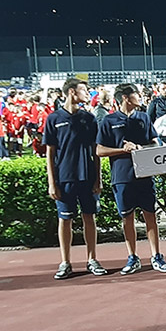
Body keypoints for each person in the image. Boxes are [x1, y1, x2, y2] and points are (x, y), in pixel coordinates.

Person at [96, 83, 166, 274]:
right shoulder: (109, 120)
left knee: (150, 215)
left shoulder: (143, 117)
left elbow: (155, 142)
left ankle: (156, 256)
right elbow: (99, 150)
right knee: (127, 217)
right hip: (122, 176)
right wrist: (123, 149)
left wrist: (142, 147)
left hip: (144, 175)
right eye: (136, 94)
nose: (140, 97)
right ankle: (132, 257)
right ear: (125, 98)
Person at [43, 78, 106, 279]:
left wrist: (98, 178)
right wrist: (52, 183)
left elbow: (96, 151)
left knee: (89, 217)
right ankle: (65, 262)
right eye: (84, 90)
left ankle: (92, 259)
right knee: (65, 219)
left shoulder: (89, 118)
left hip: (87, 176)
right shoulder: (54, 118)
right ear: (71, 92)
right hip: (64, 178)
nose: (87, 94)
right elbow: (50, 153)